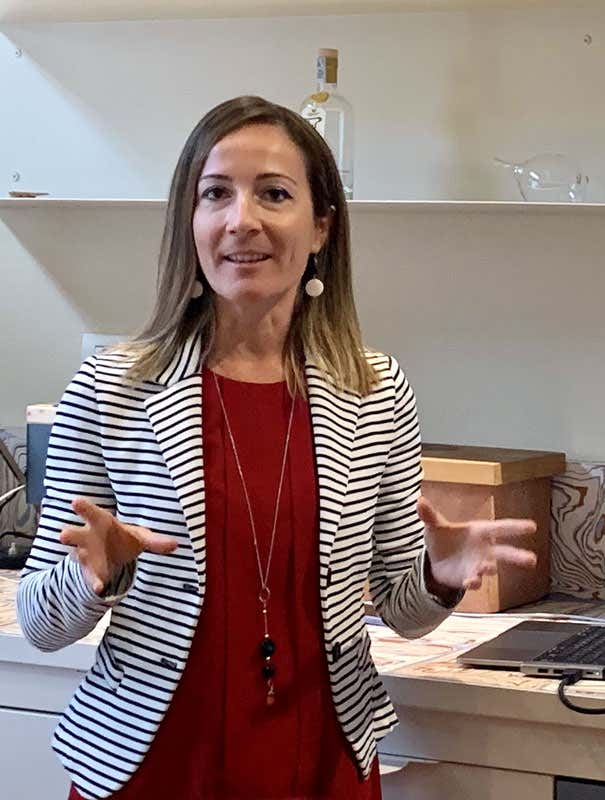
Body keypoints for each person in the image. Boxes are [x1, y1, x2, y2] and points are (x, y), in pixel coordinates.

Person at [16, 95, 538, 800]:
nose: (242, 220)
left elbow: (401, 608)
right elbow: (42, 623)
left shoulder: (375, 389)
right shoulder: (116, 387)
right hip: (156, 764)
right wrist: (96, 577)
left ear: (321, 226)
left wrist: (441, 577)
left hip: (320, 759)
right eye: (215, 194)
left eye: (274, 194)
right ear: (190, 223)